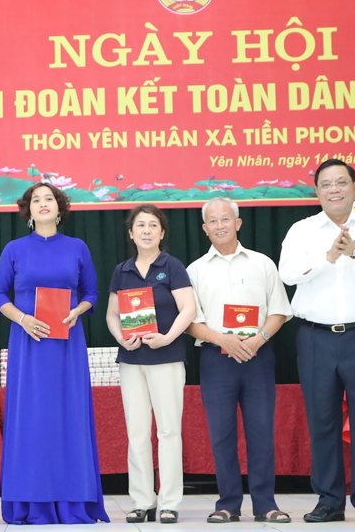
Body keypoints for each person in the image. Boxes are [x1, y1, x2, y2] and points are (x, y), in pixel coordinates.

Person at [278, 159, 355, 525]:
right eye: (326, 184)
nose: (334, 189)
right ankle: (329, 500)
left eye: (341, 182)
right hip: (315, 338)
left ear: (354, 187)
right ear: (316, 191)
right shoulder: (302, 231)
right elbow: (287, 273)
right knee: (322, 420)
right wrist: (328, 257)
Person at [0, 182, 108, 524]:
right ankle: (30, 503)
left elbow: (92, 292)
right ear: (29, 209)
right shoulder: (14, 249)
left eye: (49, 199)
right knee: (31, 419)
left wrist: (78, 311)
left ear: (60, 208)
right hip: (28, 344)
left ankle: (72, 502)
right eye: (37, 200)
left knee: (68, 416)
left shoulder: (77, 247)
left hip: (67, 344)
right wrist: (23, 319)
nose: (43, 204)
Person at [185, 198, 292, 524]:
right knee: (222, 435)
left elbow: (279, 310)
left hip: (258, 357)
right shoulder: (195, 270)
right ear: (205, 229)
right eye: (213, 221)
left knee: (261, 432)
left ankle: (265, 505)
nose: (220, 225)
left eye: (225, 219)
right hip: (216, 359)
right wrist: (224, 340)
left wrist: (259, 339)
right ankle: (227, 504)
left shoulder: (262, 263)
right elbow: (189, 322)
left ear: (238, 222)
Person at [103, 204, 196, 524]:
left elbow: (188, 309)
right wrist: (120, 338)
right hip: (132, 360)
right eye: (140, 225)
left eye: (152, 225)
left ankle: (169, 501)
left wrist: (168, 337)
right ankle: (142, 500)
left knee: (169, 431)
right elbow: (112, 314)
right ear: (130, 233)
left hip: (166, 358)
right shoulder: (122, 270)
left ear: (162, 232)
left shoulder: (172, 266)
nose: (146, 230)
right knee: (137, 433)